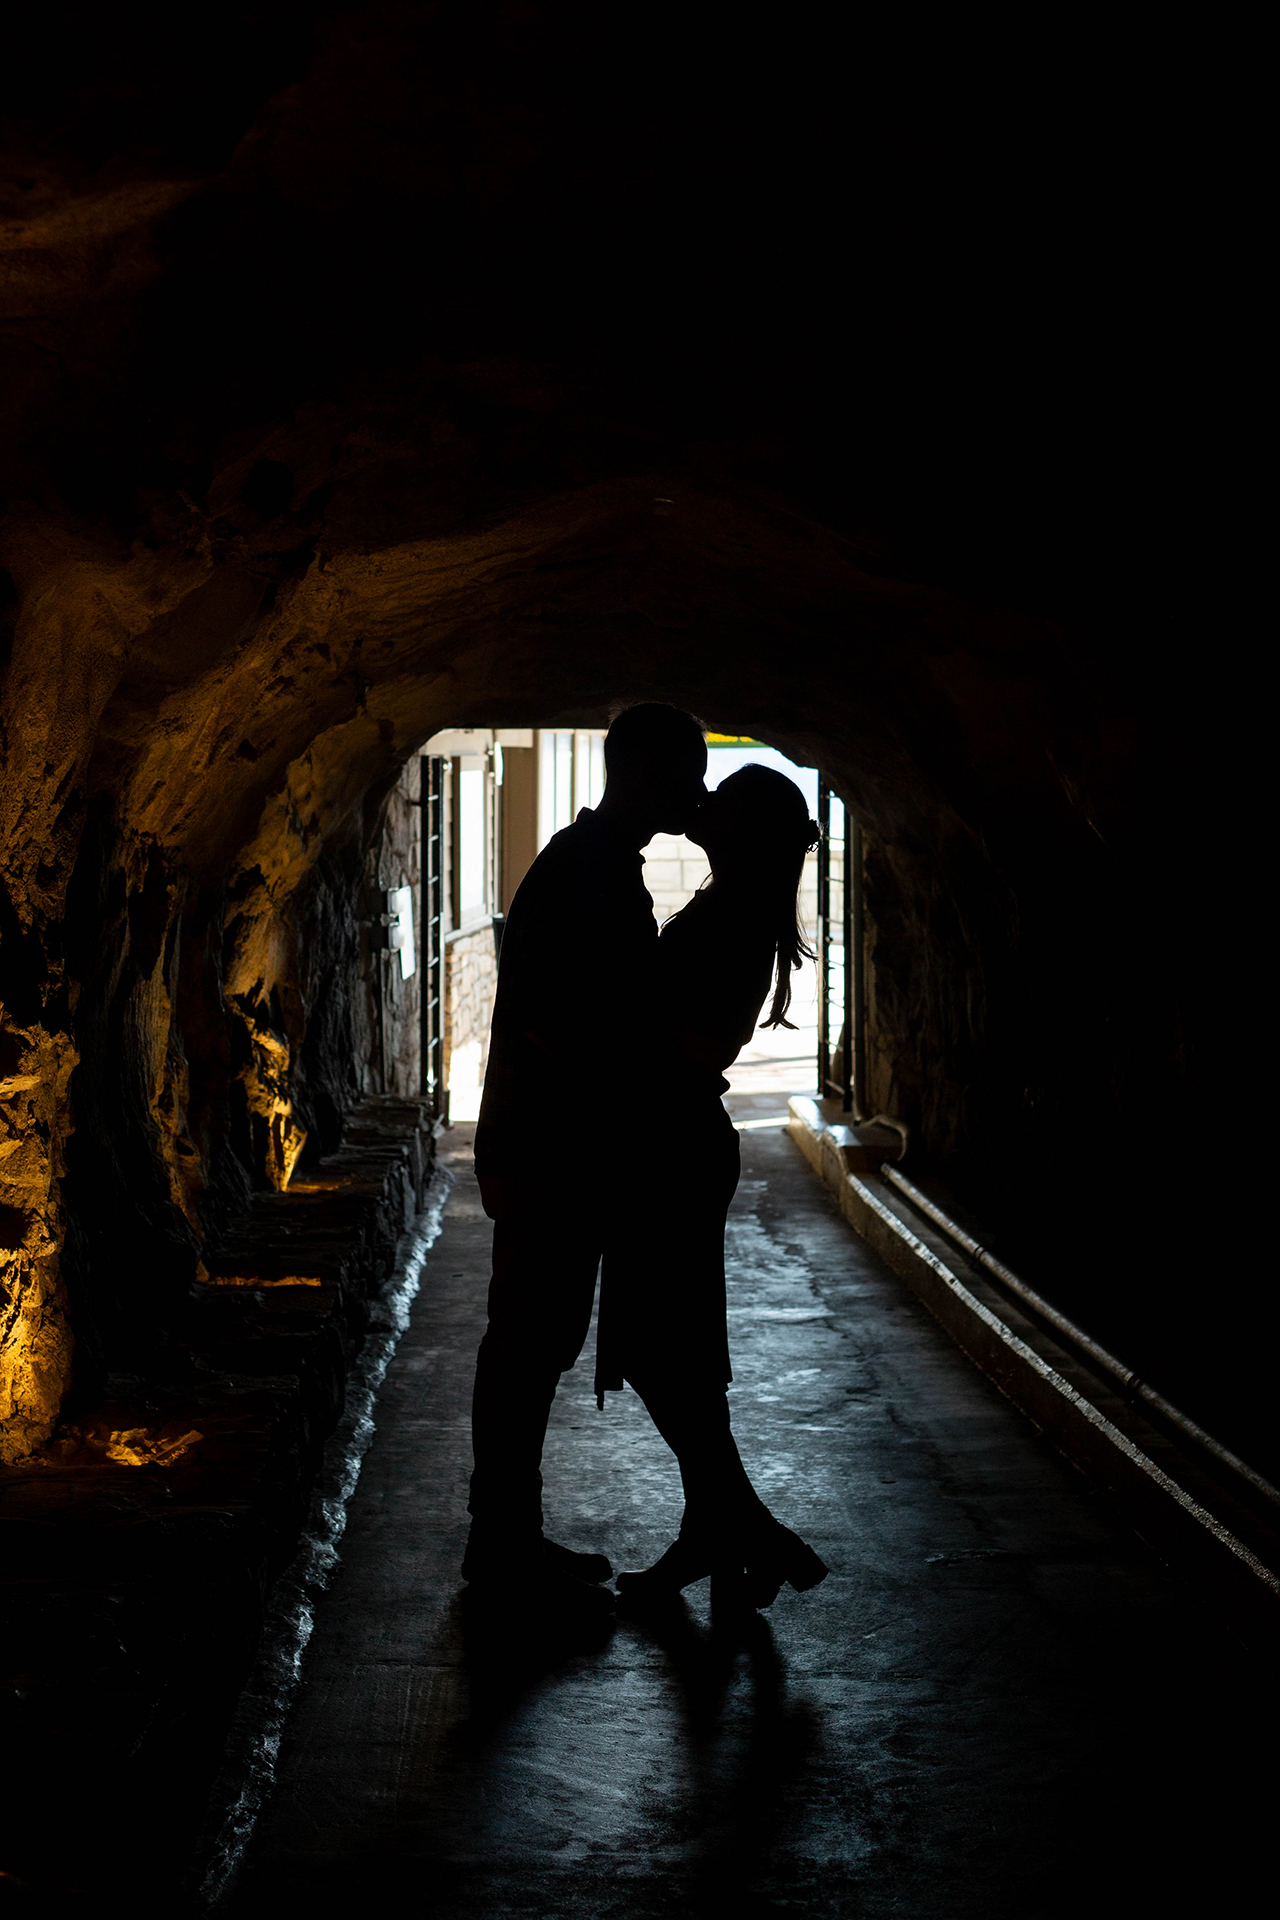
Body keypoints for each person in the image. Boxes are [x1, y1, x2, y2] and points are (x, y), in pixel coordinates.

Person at [465, 703, 708, 1603]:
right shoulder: (590, 874)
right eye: (687, 773)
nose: (699, 790)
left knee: (533, 1345)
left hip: (559, 1148)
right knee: (528, 1346)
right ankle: (501, 1545)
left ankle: (507, 1537)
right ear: (643, 772)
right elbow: (554, 1024)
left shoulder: (597, 865)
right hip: (555, 1154)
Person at [604, 764, 829, 1608]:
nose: (703, 804)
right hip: (672, 1141)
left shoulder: (734, 914)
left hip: (672, 1146)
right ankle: (724, 1535)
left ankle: (745, 1531)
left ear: (742, 831)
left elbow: (692, 1036)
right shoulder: (737, 902)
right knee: (675, 1356)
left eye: (721, 800)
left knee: (665, 1357)